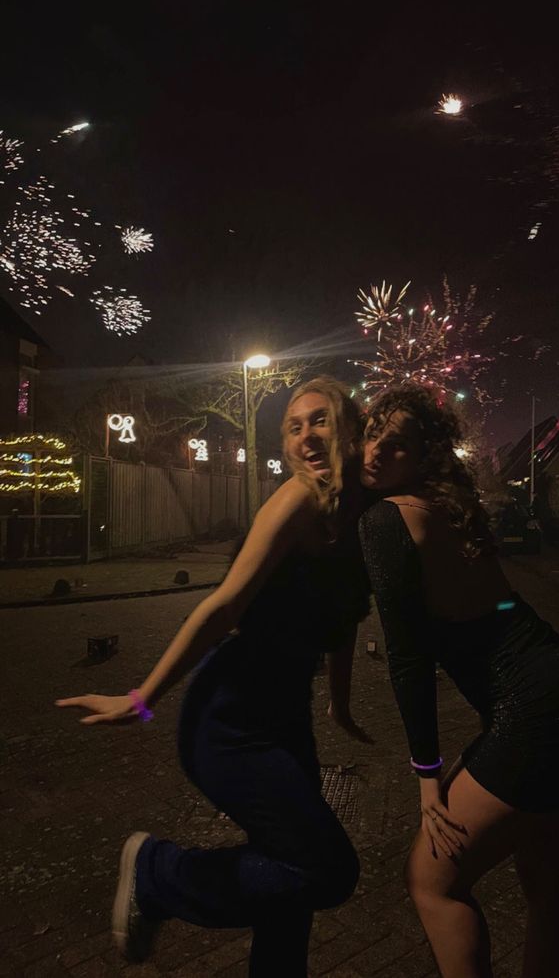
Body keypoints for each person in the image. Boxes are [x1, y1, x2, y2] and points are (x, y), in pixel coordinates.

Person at [56, 376, 371, 977]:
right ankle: (158, 873)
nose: (306, 435)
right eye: (294, 426)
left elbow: (346, 619)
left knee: (289, 884)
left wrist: (341, 704)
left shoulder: (355, 520)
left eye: (320, 420)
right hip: (230, 718)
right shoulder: (298, 499)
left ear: (350, 430)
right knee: (326, 871)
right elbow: (224, 606)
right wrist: (142, 698)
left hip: (284, 718)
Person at [356, 385, 559, 978]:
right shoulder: (446, 507)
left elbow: (408, 658)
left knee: (431, 880)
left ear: (424, 457)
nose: (374, 452)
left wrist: (427, 778)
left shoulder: (387, 520)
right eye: (371, 435)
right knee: (548, 880)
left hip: (535, 708)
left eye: (395, 446)